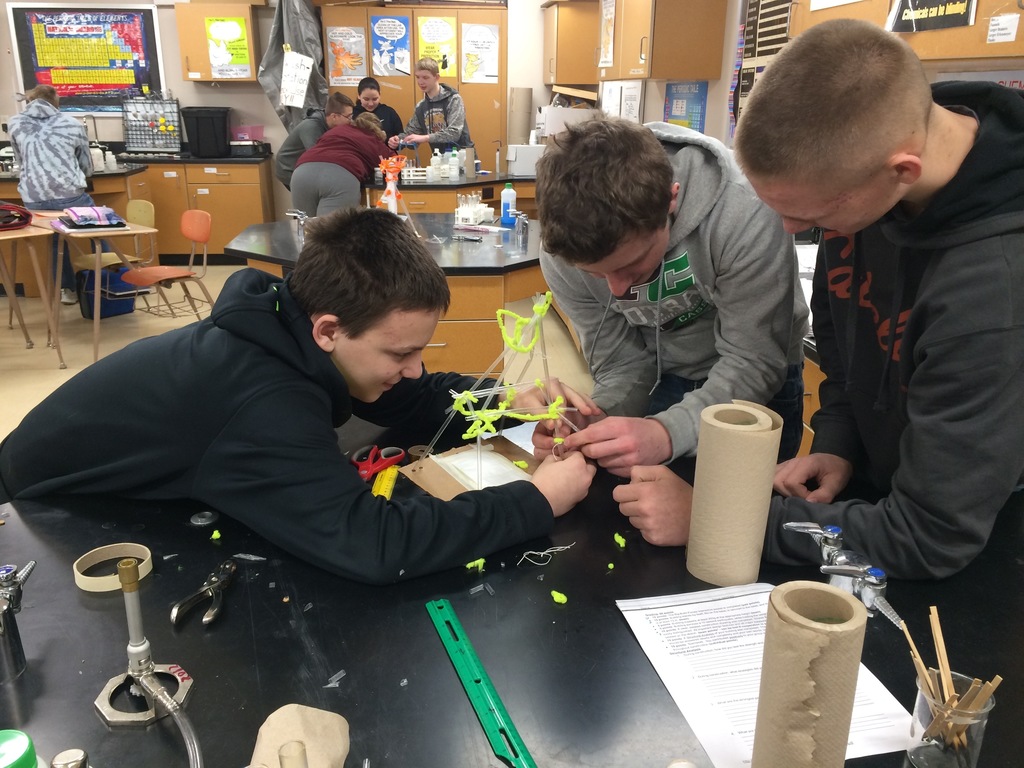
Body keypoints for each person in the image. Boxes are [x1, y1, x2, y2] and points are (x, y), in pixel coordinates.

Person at [0, 208, 595, 584]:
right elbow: (372, 545)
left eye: (420, 351)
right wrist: (535, 501)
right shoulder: (261, 400)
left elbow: (403, 401)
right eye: (399, 353)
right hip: (38, 522)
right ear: (329, 330)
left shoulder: (285, 322)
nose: (415, 370)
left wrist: (506, 403)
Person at [728, 19, 1024, 579]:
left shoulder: (996, 293)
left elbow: (931, 537)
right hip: (884, 503)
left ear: (901, 172)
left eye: (813, 218)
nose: (788, 231)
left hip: (976, 549)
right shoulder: (867, 170)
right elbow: (845, 349)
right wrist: (840, 442)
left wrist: (727, 520)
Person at [533, 118, 808, 504]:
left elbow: (754, 360)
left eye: (632, 264)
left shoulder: (745, 212)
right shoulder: (562, 253)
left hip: (758, 384)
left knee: (740, 523)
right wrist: (597, 419)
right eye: (597, 273)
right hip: (666, 376)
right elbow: (622, 362)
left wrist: (667, 432)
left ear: (671, 198)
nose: (618, 290)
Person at [8, 85, 93, 305]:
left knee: (56, 239)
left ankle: (68, 290)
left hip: (33, 198)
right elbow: (86, 165)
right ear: (55, 102)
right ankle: (108, 280)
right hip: (69, 194)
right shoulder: (72, 123)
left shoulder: (14, 123)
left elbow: (21, 161)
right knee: (103, 225)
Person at [290, 112, 395, 217]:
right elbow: (394, 161)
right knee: (334, 229)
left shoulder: (336, 130)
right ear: (376, 129)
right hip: (339, 176)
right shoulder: (372, 138)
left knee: (306, 227)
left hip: (302, 172)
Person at [387, 57, 473, 154]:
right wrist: (399, 139)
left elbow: (454, 132)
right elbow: (412, 133)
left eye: (425, 77)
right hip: (439, 159)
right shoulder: (421, 107)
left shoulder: (453, 99)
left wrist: (425, 138)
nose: (420, 82)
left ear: (436, 77)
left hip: (463, 157)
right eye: (417, 77)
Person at [274, 92, 354, 190]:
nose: (351, 121)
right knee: (310, 197)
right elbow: (317, 159)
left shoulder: (329, 125)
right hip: (288, 168)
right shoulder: (311, 128)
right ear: (334, 116)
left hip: (303, 167)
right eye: (348, 117)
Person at [352, 76, 404, 142]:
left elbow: (401, 138)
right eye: (366, 99)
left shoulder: (389, 113)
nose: (370, 103)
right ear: (359, 96)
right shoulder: (352, 113)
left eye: (374, 99)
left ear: (380, 95)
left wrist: (392, 140)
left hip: (386, 151)